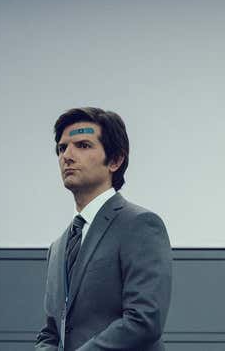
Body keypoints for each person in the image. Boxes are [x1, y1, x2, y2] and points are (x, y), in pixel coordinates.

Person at [35, 107, 172, 351]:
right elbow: (50, 332)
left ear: (116, 160)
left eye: (83, 145)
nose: (67, 155)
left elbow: (144, 320)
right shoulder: (57, 248)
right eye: (62, 148)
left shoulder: (140, 225)